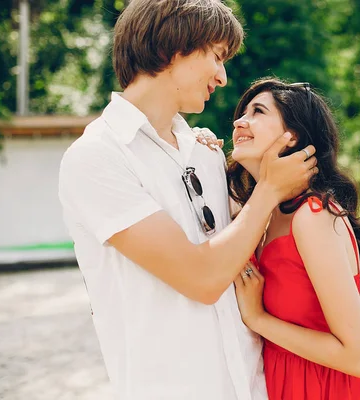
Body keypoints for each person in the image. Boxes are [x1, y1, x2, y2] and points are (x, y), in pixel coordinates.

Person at [57, 1, 318, 399]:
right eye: (216, 56)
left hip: (252, 386)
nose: (223, 77)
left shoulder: (205, 152)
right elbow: (202, 278)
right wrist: (268, 191)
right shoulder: (98, 157)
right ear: (173, 50)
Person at [228, 78, 360, 400]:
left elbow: (357, 358)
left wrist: (257, 318)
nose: (239, 121)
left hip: (329, 390)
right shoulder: (261, 214)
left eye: (257, 111)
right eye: (242, 112)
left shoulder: (312, 215)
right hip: (283, 386)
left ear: (293, 136)